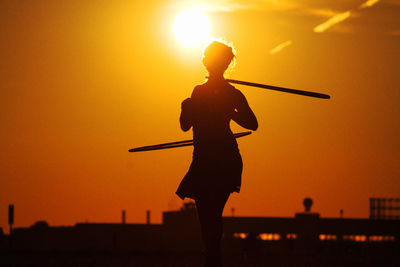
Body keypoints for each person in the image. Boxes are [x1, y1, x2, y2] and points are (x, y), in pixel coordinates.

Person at [176, 40, 258, 267]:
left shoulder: (231, 94)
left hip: (221, 159)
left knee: (210, 215)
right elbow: (185, 125)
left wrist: (230, 112)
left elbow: (253, 123)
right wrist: (186, 107)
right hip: (204, 159)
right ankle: (213, 258)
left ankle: (213, 259)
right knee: (209, 216)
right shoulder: (201, 92)